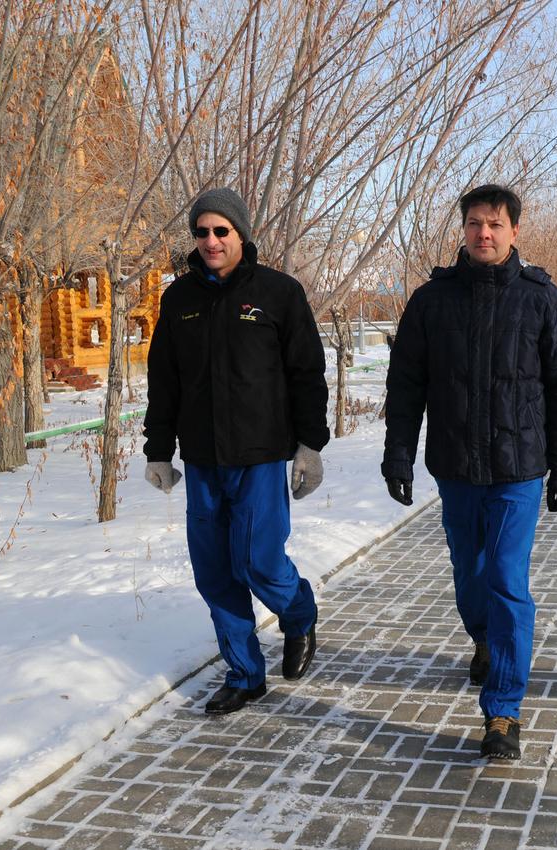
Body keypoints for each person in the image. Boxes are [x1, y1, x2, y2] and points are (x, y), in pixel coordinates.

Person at [382, 184, 557, 760]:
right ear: (464, 228)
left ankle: (503, 711)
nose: (484, 234)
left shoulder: (543, 300)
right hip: (456, 466)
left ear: (515, 231)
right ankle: (486, 640)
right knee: (471, 578)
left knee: (505, 579)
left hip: (519, 469)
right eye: (475, 223)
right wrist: (398, 453)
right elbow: (406, 385)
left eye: (495, 224)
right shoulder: (431, 301)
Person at [143, 188, 329, 716]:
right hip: (203, 460)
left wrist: (309, 446)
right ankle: (245, 674)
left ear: (241, 234)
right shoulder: (178, 301)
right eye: (201, 232)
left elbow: (306, 375)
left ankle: (299, 615)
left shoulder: (278, 293)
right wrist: (159, 450)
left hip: (261, 457)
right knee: (215, 572)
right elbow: (165, 382)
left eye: (220, 231)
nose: (210, 241)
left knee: (259, 562)